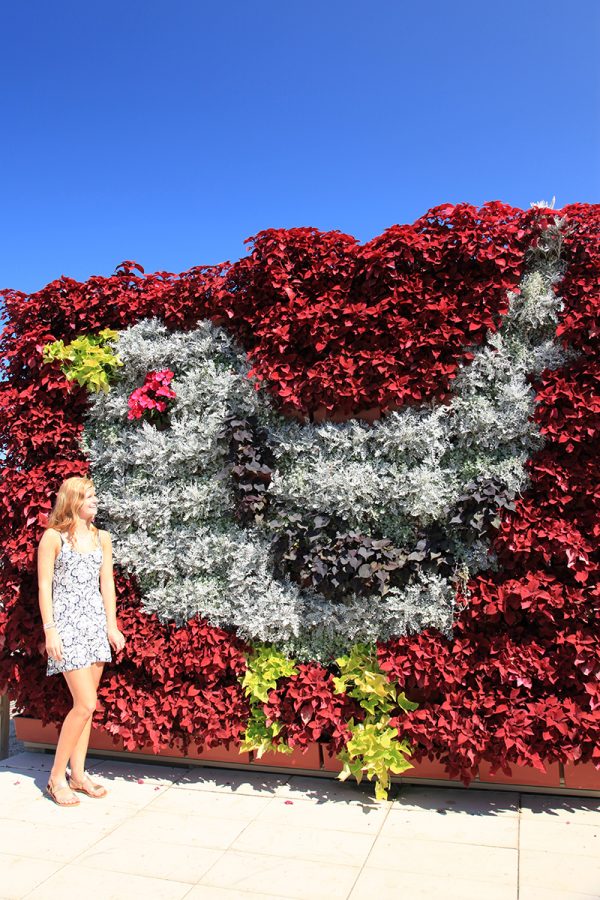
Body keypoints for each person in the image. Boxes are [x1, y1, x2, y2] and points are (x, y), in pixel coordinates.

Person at [37, 475, 126, 806]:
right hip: (67, 629)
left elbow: (108, 585)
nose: (95, 500)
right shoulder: (53, 538)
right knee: (86, 703)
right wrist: (50, 630)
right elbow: (45, 587)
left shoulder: (102, 537)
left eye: (94, 495)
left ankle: (78, 774)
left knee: (85, 709)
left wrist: (112, 626)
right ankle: (55, 778)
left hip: (94, 628)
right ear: (72, 500)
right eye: (88, 496)